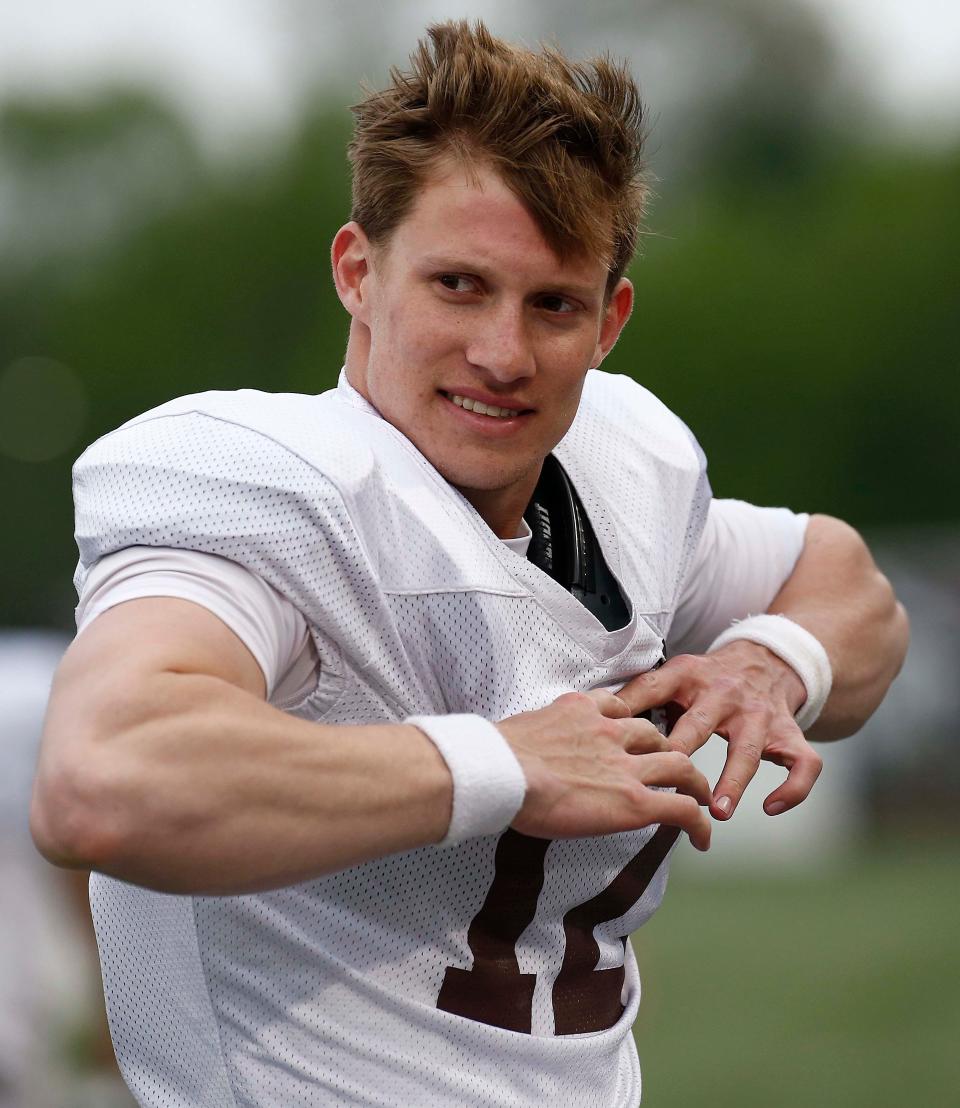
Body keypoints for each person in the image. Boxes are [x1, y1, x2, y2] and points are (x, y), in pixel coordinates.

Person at [31, 20, 908, 1108]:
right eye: (458, 285)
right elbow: (101, 783)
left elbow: (849, 586)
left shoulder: (618, 469)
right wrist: (501, 765)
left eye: (553, 305)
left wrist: (769, 663)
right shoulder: (279, 490)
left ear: (610, 319)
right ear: (359, 270)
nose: (502, 354)